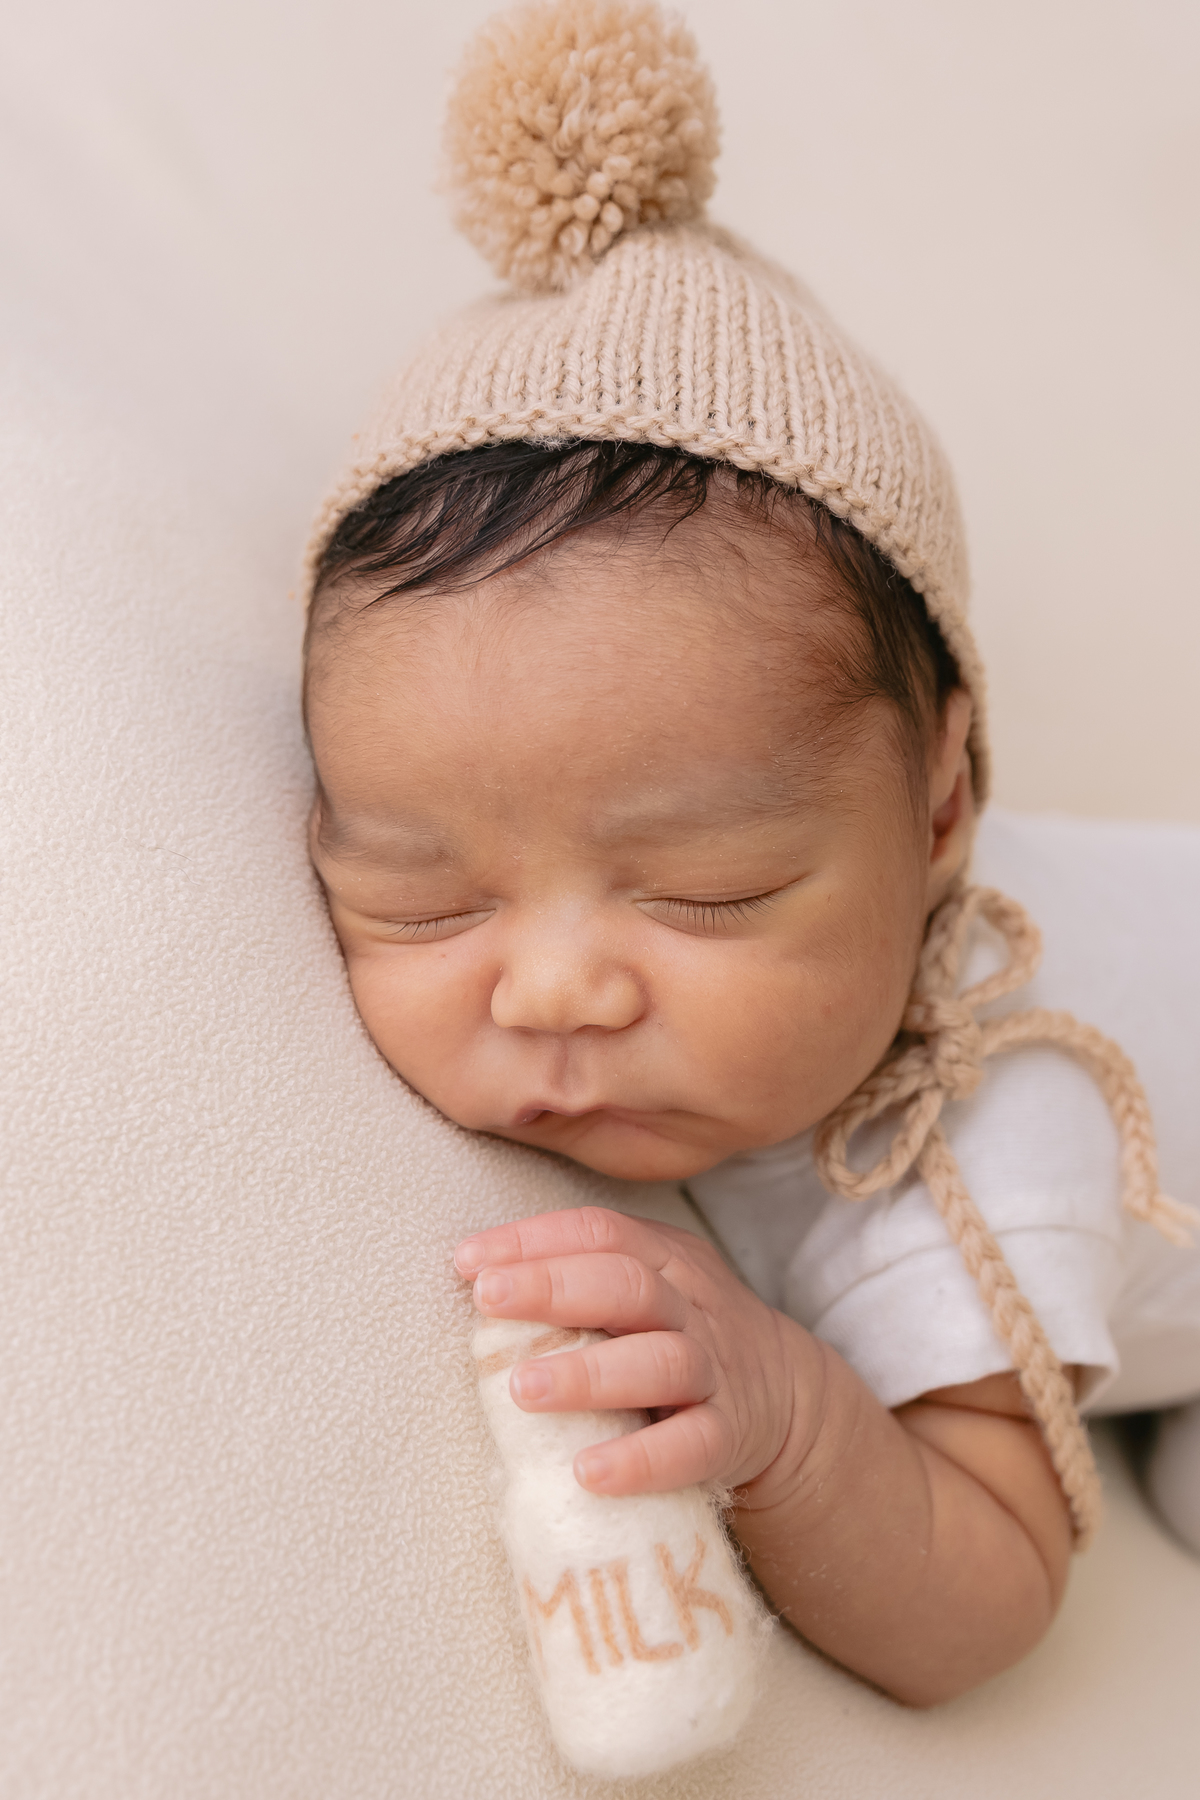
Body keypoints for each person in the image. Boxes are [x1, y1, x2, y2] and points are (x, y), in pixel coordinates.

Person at [300, 0, 1200, 1705]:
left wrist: (790, 1416)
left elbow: (990, 1595)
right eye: (424, 896)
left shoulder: (966, 1136)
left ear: (940, 814)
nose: (553, 991)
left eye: (707, 893)